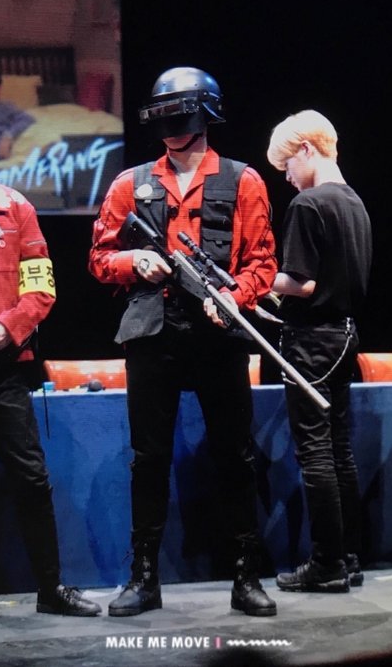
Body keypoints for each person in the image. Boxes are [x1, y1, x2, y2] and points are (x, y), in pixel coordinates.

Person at [89, 66, 278, 617]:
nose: (172, 130)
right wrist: (133, 260)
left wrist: (235, 296)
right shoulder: (130, 183)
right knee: (148, 458)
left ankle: (246, 575)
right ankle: (144, 578)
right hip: (153, 333)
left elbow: (263, 261)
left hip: (218, 334)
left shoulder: (243, 180)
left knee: (235, 456)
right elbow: (99, 257)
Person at [0, 103, 102, 621]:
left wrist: (11, 326)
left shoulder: (11, 206)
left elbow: (40, 286)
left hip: (0, 364)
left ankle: (50, 587)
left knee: (31, 475)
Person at [266, 109, 372, 592]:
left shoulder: (308, 205)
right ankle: (348, 556)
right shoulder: (355, 202)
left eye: (287, 165)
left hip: (311, 341)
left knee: (315, 453)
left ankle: (327, 563)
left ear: (307, 149)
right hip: (346, 336)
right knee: (339, 449)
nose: (287, 177)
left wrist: (258, 280)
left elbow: (302, 283)